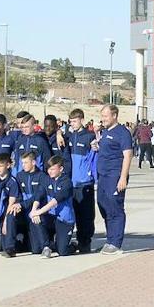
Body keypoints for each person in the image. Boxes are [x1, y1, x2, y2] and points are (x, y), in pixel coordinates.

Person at [93, 104, 132, 254]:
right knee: (103, 205)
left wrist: (123, 178)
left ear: (114, 116)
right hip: (103, 176)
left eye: (105, 116)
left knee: (115, 207)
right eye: (102, 116)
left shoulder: (122, 132)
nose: (103, 119)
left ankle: (116, 243)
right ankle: (109, 241)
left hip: (114, 176)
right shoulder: (105, 131)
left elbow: (128, 155)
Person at [64, 108, 97, 253]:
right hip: (72, 183)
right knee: (74, 213)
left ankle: (85, 242)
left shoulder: (89, 137)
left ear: (82, 120)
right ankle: (75, 239)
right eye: (71, 122)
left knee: (86, 215)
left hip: (85, 182)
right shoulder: (69, 137)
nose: (73, 124)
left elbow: (95, 154)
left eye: (75, 121)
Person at [31, 155, 74, 257]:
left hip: (64, 220)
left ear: (61, 169)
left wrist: (38, 211)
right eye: (48, 169)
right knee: (37, 218)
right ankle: (46, 247)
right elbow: (38, 195)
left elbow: (54, 201)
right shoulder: (47, 180)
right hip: (50, 217)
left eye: (53, 169)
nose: (50, 171)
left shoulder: (67, 182)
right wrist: (34, 211)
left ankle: (72, 246)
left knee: (62, 251)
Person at [16, 151, 46, 254]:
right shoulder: (19, 176)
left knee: (36, 250)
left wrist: (34, 210)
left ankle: (47, 245)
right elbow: (18, 194)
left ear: (33, 162)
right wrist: (19, 205)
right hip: (23, 209)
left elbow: (38, 196)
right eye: (22, 163)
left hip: (35, 209)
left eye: (25, 162)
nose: (23, 165)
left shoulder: (42, 176)